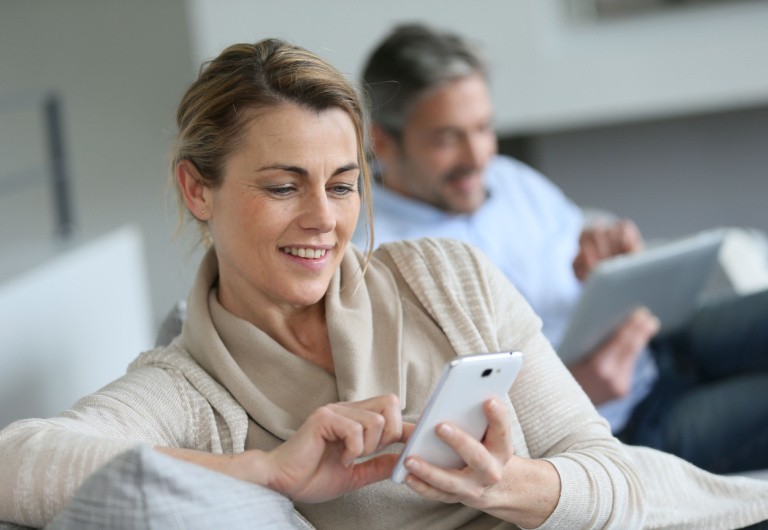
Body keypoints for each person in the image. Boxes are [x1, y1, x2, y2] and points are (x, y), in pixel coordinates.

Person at [0, 38, 766, 530]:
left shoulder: (447, 277)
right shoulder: (192, 390)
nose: (323, 220)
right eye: (281, 186)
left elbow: (603, 464)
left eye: (341, 184)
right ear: (198, 191)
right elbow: (20, 460)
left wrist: (512, 485)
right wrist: (266, 471)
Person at [354, 22, 768, 475]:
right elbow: (444, 432)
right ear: (382, 141)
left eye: (483, 127)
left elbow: (577, 241)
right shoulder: (377, 261)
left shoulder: (510, 179)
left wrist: (605, 254)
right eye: (448, 138)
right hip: (622, 424)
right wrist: (571, 394)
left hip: (663, 336)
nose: (477, 157)